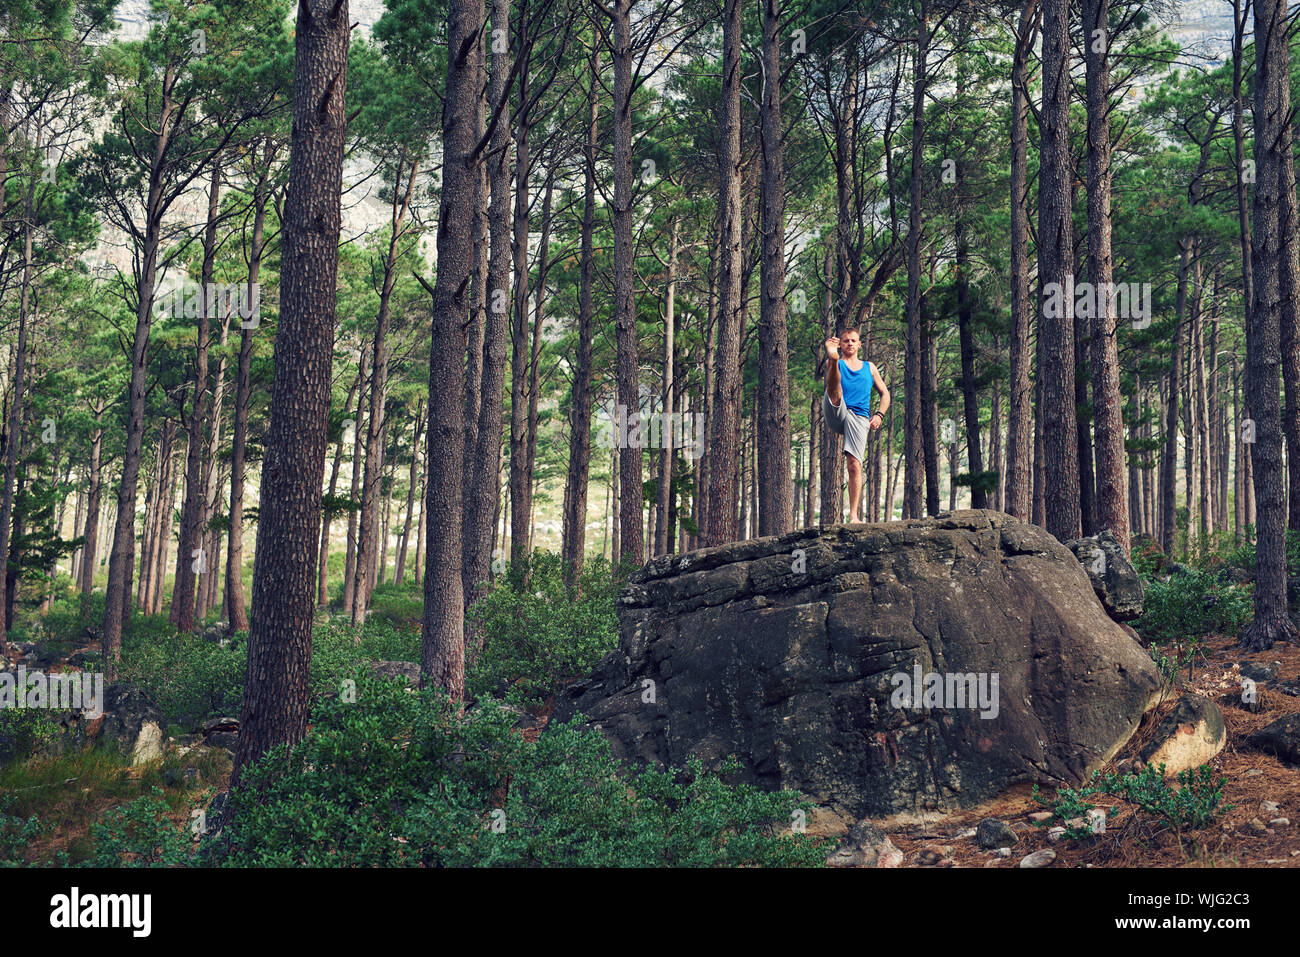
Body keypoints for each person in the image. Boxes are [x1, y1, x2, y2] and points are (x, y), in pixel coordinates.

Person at [823, 328, 891, 523]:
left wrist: (879, 414)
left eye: (853, 341)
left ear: (860, 344)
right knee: (834, 391)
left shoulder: (869, 367)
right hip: (836, 407)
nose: (850, 344)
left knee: (854, 465)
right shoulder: (834, 361)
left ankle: (853, 515)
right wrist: (834, 359)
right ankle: (835, 361)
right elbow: (831, 386)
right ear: (840, 345)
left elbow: (885, 394)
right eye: (845, 341)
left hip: (859, 417)